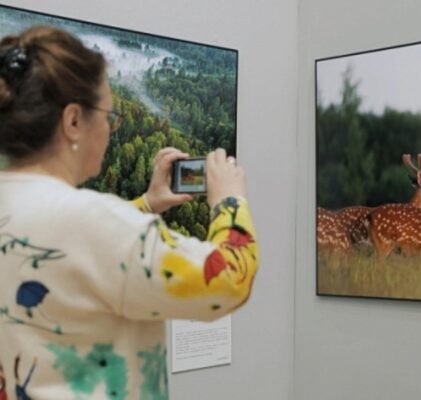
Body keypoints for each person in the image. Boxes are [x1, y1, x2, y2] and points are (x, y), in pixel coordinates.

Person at [0, 26, 258, 399]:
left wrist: (148, 205)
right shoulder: (95, 223)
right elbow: (230, 280)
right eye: (108, 115)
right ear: (73, 121)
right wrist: (229, 201)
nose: (109, 128)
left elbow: (76, 239)